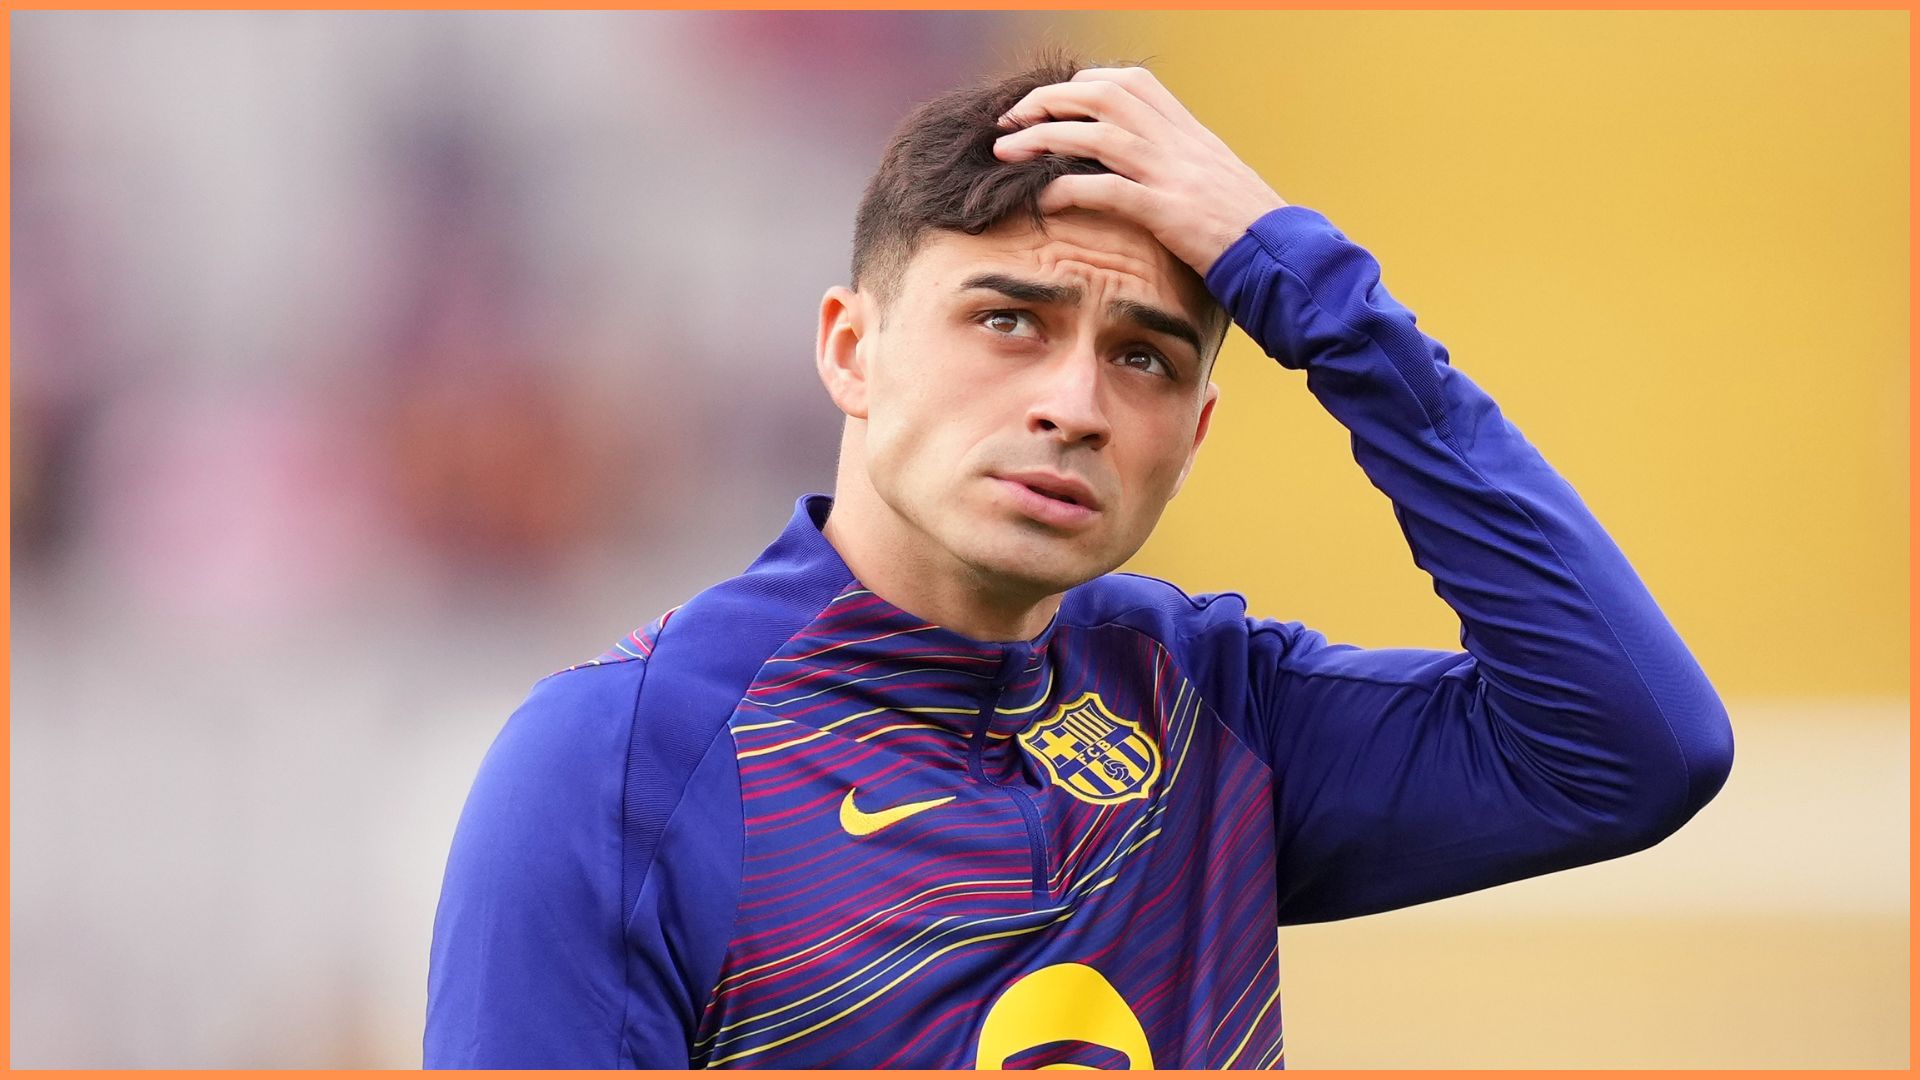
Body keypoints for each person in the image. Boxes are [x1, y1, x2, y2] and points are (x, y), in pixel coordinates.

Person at [423, 54, 1733, 1069]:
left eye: (1146, 357)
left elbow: (1634, 748)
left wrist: (1320, 298)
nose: (1075, 402)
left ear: (1197, 434)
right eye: (1010, 319)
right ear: (849, 349)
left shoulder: (1211, 706)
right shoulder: (621, 768)